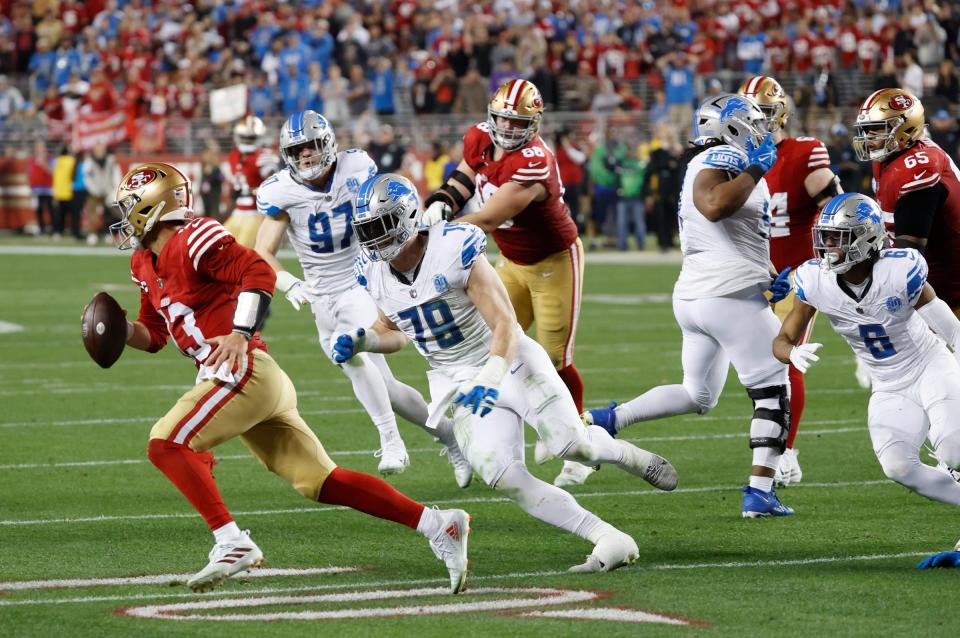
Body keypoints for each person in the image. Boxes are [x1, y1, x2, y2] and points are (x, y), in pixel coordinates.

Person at [100, 161, 470, 595]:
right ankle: (438, 524)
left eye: (130, 206)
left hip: (241, 370)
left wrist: (240, 333)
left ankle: (231, 541)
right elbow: (157, 333)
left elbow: (258, 270)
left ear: (152, 206)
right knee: (321, 481)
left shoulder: (194, 237)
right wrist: (119, 331)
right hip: (243, 377)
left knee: (166, 443)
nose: (125, 217)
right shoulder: (145, 262)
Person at [336, 173, 678, 572]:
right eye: (367, 231)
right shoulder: (373, 271)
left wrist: (492, 375)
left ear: (409, 217)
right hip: (456, 380)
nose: (375, 239)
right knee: (503, 475)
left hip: (507, 359)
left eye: (381, 227)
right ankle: (607, 536)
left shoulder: (452, 245)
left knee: (573, 446)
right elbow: (393, 330)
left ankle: (622, 453)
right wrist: (365, 340)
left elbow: (504, 321)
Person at [585, 94, 796, 518]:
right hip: (728, 296)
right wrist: (757, 165)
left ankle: (610, 419)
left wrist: (769, 271)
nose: (761, 131)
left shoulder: (721, 160)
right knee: (774, 390)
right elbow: (714, 206)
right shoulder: (723, 157)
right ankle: (759, 491)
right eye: (751, 124)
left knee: (697, 394)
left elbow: (736, 235)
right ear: (730, 127)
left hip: (699, 295)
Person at [254, 110, 471, 484]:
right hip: (321, 296)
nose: (306, 155)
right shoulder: (281, 191)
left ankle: (391, 441)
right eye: (298, 149)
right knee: (388, 387)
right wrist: (288, 282)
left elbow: (384, 204)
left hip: (361, 281)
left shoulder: (355, 167)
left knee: (350, 352)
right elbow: (262, 251)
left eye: (311, 146)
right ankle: (450, 436)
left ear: (328, 144)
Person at [418, 79, 592, 487]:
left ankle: (579, 442)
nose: (508, 128)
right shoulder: (480, 137)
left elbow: (489, 217)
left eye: (518, 122)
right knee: (493, 338)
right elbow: (463, 178)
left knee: (553, 358)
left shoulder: (534, 159)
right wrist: (441, 200)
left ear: (533, 123)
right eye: (502, 119)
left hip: (554, 261)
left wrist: (433, 232)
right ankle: (491, 432)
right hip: (510, 259)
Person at [774, 193, 960, 569]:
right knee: (898, 467)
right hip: (887, 383)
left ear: (866, 239)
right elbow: (782, 340)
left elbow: (951, 331)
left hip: (929, 365)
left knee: (953, 449)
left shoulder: (899, 270)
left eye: (837, 238)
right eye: (825, 237)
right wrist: (791, 354)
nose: (827, 246)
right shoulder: (816, 280)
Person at [738, 75, 844, 486]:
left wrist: (822, 265)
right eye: (749, 116)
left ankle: (787, 453)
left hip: (796, 276)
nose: (757, 123)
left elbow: (834, 207)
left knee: (785, 364)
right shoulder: (733, 158)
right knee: (753, 369)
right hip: (751, 276)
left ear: (780, 113)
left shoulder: (803, 152)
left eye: (763, 114)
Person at [853, 88, 960, 317]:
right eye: (866, 130)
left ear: (905, 127)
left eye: (876, 129)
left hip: (950, 293)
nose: (868, 137)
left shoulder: (918, 167)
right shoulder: (888, 157)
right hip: (934, 291)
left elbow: (908, 258)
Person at [224, 115, 279, 248]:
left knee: (242, 252)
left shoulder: (263, 156)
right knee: (221, 246)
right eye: (244, 137)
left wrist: (253, 191)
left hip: (254, 213)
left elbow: (273, 187)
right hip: (237, 211)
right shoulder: (234, 156)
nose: (247, 141)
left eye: (251, 138)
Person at [82, 143, 121, 244]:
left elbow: (116, 175)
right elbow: (87, 178)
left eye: (102, 149)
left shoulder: (111, 160)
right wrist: (94, 190)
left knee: (110, 214)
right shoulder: (89, 162)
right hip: (95, 192)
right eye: (98, 149)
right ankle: (92, 234)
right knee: (92, 213)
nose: (100, 152)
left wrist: (114, 190)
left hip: (108, 191)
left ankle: (108, 234)